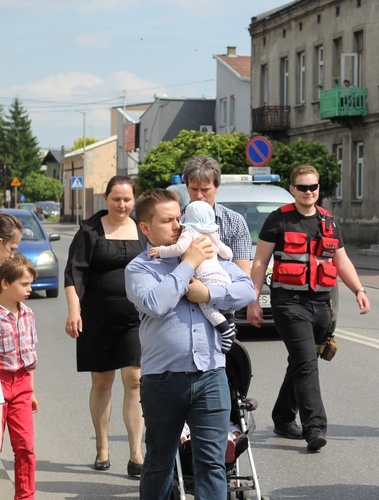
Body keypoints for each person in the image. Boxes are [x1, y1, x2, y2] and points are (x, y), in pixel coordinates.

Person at [124, 189, 255, 498]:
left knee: (212, 463)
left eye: (178, 218)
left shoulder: (208, 252)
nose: (177, 226)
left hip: (211, 374)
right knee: (160, 461)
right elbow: (156, 303)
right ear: (145, 228)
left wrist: (209, 295)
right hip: (163, 379)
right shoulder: (140, 268)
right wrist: (188, 264)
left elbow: (247, 290)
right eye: (167, 220)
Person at [248, 164, 371, 452]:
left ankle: (281, 417)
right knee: (306, 364)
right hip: (288, 303)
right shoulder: (278, 220)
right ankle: (314, 427)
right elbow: (259, 263)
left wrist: (359, 290)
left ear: (318, 189)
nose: (308, 192)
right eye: (302, 187)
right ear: (292, 189)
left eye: (313, 187)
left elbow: (341, 261)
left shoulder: (328, 221)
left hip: (321, 304)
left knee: (300, 363)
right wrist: (252, 300)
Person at [63, 175, 148, 476]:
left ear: (134, 200)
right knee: (102, 381)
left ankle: (136, 452)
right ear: (106, 199)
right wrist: (74, 311)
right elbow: (74, 274)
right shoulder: (89, 231)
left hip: (135, 320)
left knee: (135, 380)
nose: (122, 205)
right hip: (96, 318)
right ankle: (102, 446)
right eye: (116, 199)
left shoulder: (142, 228)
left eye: (127, 199)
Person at [148, 200, 237, 353]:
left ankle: (224, 330)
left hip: (206, 277)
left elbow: (179, 248)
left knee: (206, 306)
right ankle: (230, 320)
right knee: (224, 303)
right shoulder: (212, 233)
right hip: (222, 276)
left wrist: (161, 251)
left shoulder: (189, 231)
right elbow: (228, 254)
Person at [181, 154, 253, 310]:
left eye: (205, 189)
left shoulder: (234, 222)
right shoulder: (177, 219)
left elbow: (243, 281)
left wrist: (208, 293)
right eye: (194, 189)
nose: (199, 196)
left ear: (217, 187)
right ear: (186, 187)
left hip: (222, 307)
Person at [0, 254, 39, 500]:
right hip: (0, 384)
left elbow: (31, 355)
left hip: (22, 384)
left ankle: (25, 497)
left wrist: (31, 389)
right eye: (24, 284)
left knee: (25, 448)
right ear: (5, 283)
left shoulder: (28, 314)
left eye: (30, 283)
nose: (30, 288)